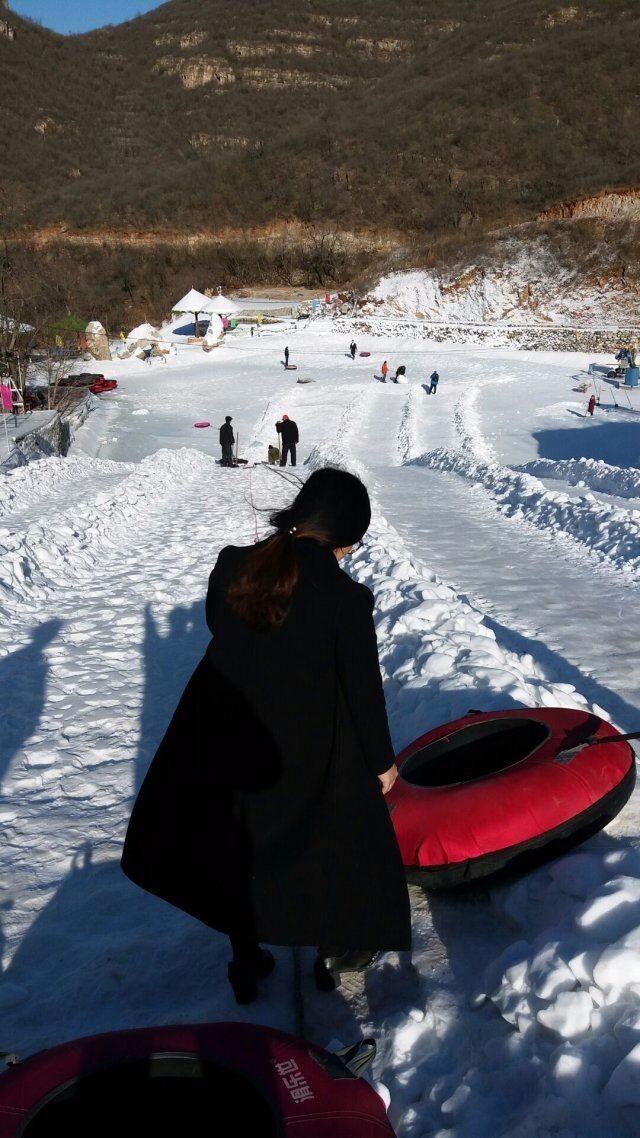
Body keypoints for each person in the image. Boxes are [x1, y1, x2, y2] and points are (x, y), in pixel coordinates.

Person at [121, 468, 411, 1004]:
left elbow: (221, 627)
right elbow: (364, 694)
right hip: (298, 746)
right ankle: (337, 947)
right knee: (343, 830)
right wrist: (382, 764)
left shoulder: (234, 564)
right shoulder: (346, 600)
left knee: (236, 845)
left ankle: (246, 958)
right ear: (343, 537)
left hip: (222, 731)